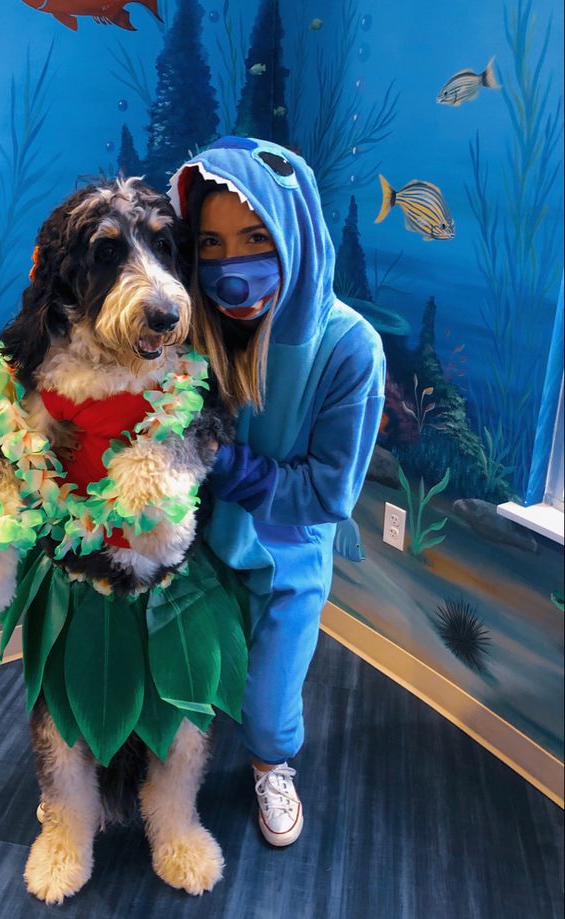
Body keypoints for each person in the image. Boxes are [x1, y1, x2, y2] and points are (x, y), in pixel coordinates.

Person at [169, 137, 386, 847]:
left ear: (292, 227)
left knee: (268, 705)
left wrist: (229, 467)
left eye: (255, 236)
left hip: (287, 554)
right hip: (199, 546)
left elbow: (327, 492)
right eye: (211, 243)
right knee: (182, 679)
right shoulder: (195, 327)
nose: (232, 267)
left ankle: (271, 765)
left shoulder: (350, 349)